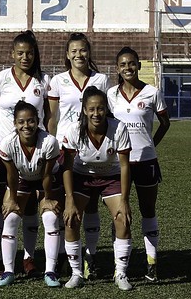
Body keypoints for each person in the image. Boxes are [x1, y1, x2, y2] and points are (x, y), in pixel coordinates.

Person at [47, 32, 113, 279]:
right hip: (66, 149)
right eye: (73, 51)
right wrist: (52, 147)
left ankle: (91, 255)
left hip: (92, 150)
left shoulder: (101, 79)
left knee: (91, 203)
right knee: (67, 205)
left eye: (83, 50)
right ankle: (67, 256)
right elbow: (52, 118)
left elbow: (109, 115)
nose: (78, 55)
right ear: (67, 54)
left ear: (89, 52)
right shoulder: (58, 81)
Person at [0, 30, 51, 277]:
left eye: (30, 53)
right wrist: (7, 138)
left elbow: (49, 114)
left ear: (35, 55)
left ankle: (29, 258)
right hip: (4, 152)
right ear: (12, 54)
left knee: (33, 207)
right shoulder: (0, 79)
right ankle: (7, 262)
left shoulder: (43, 81)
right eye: (20, 53)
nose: (25, 57)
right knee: (8, 204)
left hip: (35, 151)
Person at [107, 47, 170, 282]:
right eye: (123, 64)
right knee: (119, 213)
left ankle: (151, 263)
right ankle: (119, 265)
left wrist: (151, 144)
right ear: (117, 68)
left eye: (131, 63)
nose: (127, 68)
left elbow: (165, 123)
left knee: (147, 210)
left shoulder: (152, 92)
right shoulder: (111, 94)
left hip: (146, 161)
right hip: (118, 163)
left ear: (138, 65)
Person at [61, 86, 133, 291]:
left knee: (123, 218)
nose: (96, 113)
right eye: (91, 109)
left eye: (100, 108)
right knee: (71, 218)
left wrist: (125, 200)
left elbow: (125, 165)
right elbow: (66, 166)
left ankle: (120, 273)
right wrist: (69, 199)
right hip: (82, 178)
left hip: (111, 177)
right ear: (84, 110)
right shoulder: (74, 130)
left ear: (106, 109)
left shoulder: (118, 128)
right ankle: (76, 273)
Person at [0, 101, 62, 288]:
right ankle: (8, 271)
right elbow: (11, 174)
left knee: (50, 217)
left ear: (38, 121)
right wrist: (13, 200)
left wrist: (47, 199)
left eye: (31, 121)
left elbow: (47, 174)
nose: (26, 126)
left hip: (46, 180)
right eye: (21, 122)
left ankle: (50, 271)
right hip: (22, 178)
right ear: (15, 123)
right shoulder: (8, 143)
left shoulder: (49, 142)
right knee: (10, 218)